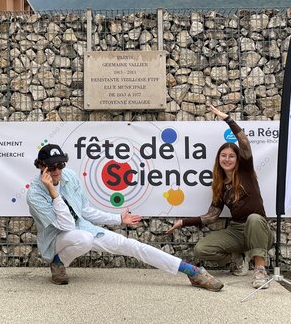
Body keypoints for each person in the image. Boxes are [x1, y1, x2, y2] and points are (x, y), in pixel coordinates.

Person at [27, 143, 224, 291]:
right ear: (41, 167)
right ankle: (58, 262)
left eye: (60, 165)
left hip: (83, 228)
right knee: (83, 239)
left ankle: (191, 272)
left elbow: (85, 211)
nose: (57, 171)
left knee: (132, 246)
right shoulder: (34, 194)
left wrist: (118, 219)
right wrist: (53, 192)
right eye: (52, 167)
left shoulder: (69, 176)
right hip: (57, 240)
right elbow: (67, 224)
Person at [167, 105, 274, 289]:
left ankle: (259, 270)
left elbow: (244, 143)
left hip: (258, 229)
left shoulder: (246, 171)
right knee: (201, 249)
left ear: (238, 159)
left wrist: (228, 120)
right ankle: (238, 258)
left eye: (231, 156)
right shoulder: (220, 185)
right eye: (223, 156)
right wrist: (184, 222)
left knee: (254, 218)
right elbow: (211, 216)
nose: (227, 159)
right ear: (218, 159)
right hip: (236, 231)